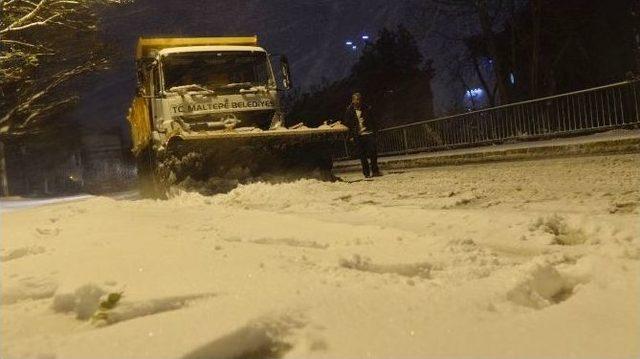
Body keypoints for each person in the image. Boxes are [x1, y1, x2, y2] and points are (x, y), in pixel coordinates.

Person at [344, 92, 382, 178]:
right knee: (362, 155)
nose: (358, 101)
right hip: (357, 135)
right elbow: (348, 124)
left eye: (359, 99)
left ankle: (375, 171)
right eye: (356, 99)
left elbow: (373, 120)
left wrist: (376, 132)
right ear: (352, 100)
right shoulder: (349, 111)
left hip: (368, 133)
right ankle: (366, 173)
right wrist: (350, 136)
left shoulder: (366, 108)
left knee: (373, 152)